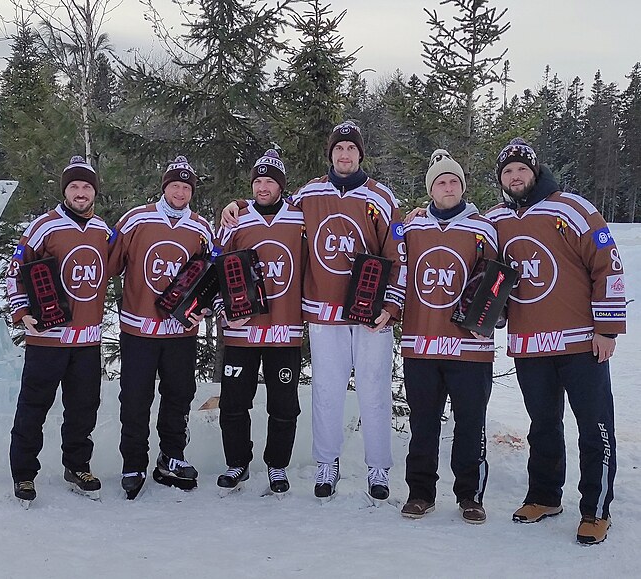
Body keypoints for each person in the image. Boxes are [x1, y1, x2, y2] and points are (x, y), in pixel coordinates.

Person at [222, 121, 404, 500]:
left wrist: (391, 304)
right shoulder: (310, 193)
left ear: (360, 154)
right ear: (330, 154)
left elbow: (396, 252)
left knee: (374, 389)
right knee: (326, 390)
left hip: (370, 314)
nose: (344, 154)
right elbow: (269, 206)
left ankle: (378, 468)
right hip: (324, 312)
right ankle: (327, 463)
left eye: (351, 148)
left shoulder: (382, 197)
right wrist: (238, 204)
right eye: (338, 148)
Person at [488, 138, 626, 545]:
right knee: (543, 425)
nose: (515, 177)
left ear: (535, 171)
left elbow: (608, 266)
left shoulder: (573, 208)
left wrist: (608, 328)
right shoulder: (495, 219)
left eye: (521, 170)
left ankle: (596, 508)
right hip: (530, 343)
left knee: (594, 426)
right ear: (501, 180)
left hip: (582, 342)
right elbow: (471, 250)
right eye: (508, 172)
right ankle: (545, 496)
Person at [4, 156, 113, 504]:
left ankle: (77, 465)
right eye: (74, 187)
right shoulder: (44, 226)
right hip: (48, 337)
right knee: (34, 407)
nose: (80, 193)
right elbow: (14, 269)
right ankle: (23, 474)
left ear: (94, 192)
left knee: (83, 407)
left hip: (87, 339)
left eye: (86, 187)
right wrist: (21, 311)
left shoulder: (102, 230)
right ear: (65, 190)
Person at [398, 150, 498, 524]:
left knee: (470, 422)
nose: (448, 186)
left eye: (454, 181)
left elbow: (496, 280)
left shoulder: (483, 228)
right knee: (424, 422)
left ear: (463, 187)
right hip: (421, 342)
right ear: (431, 189)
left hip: (469, 347)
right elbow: (398, 271)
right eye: (441, 181)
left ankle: (470, 495)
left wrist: (491, 315)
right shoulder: (412, 227)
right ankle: (420, 493)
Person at [110, 155, 215, 498]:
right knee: (136, 397)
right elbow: (107, 262)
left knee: (179, 396)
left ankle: (171, 456)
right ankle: (134, 462)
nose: (180, 192)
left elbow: (210, 279)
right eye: (175, 185)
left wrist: (204, 308)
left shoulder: (201, 228)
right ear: (165, 187)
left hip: (180, 333)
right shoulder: (136, 219)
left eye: (186, 187)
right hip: (139, 330)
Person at [214, 150, 304, 495]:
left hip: (285, 329)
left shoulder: (299, 218)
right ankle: (237, 463)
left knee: (283, 405)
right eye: (257, 181)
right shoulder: (236, 219)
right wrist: (225, 307)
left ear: (281, 186)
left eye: (269, 181)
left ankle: (277, 466)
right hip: (242, 329)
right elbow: (216, 266)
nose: (262, 187)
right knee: (234, 402)